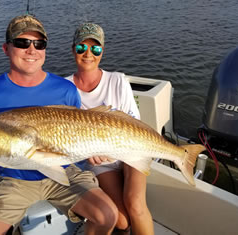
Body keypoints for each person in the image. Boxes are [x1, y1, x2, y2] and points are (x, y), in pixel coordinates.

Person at [0, 14, 118, 235]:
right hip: (15, 179)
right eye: (22, 43)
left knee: (107, 215)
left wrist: (93, 152)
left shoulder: (65, 90)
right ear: (6, 48)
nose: (31, 50)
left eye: (39, 43)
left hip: (66, 172)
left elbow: (78, 135)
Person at [66, 23, 155, 235]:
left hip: (131, 150)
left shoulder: (118, 80)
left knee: (135, 204)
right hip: (99, 162)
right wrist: (87, 156)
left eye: (95, 49)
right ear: (73, 50)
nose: (88, 54)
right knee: (122, 221)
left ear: (102, 52)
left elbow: (134, 123)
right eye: (81, 48)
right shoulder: (64, 88)